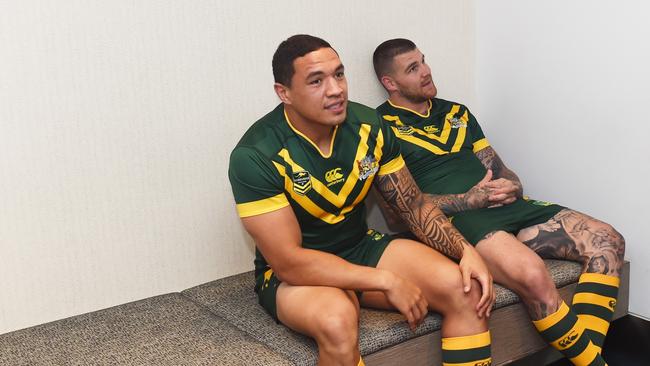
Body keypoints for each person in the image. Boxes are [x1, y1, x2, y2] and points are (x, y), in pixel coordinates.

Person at [229, 34, 495, 366]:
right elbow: (289, 262)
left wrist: (464, 250)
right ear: (285, 93)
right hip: (293, 275)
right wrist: (385, 281)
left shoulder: (369, 125)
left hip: (359, 247)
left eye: (339, 74)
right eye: (316, 81)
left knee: (466, 288)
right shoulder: (256, 154)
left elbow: (412, 205)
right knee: (337, 319)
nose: (336, 89)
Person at [372, 38, 626, 366]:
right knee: (535, 276)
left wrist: (513, 186)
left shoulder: (457, 113)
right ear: (389, 83)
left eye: (424, 61)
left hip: (504, 207)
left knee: (608, 240)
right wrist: (466, 201)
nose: (426, 71)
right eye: (413, 68)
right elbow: (398, 214)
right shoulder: (378, 128)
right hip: (458, 220)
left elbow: (501, 170)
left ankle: (587, 357)